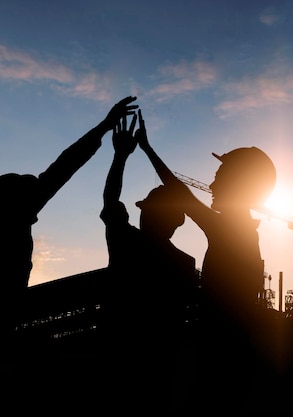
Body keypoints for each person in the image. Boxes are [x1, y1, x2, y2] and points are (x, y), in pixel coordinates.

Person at [0, 96, 139, 360]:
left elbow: (60, 169)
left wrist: (105, 127)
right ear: (14, 203)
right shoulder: (8, 233)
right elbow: (64, 167)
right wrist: (105, 127)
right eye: (31, 190)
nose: (40, 192)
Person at [134, 109, 277, 411]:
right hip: (230, 353)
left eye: (219, 177)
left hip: (221, 356)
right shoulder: (244, 233)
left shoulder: (231, 229)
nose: (211, 185)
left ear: (241, 184)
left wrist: (146, 149)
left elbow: (180, 193)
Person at [99, 110, 198, 411]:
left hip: (121, 354)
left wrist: (121, 156)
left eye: (145, 209)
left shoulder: (126, 241)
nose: (141, 213)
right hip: (161, 364)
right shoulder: (185, 263)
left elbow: (110, 199)